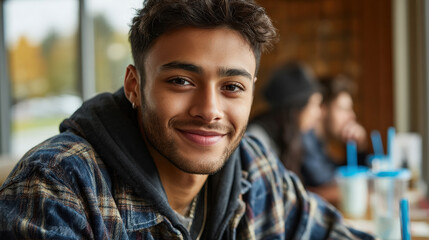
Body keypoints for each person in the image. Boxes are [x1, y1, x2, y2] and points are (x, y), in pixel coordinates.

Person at [0, 0, 374, 239]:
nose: (209, 109)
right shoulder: (58, 185)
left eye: (232, 86)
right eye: (181, 81)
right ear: (134, 85)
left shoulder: (253, 166)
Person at [247, 62, 323, 182]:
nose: (319, 113)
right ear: (296, 109)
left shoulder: (291, 135)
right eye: (314, 105)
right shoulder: (257, 140)